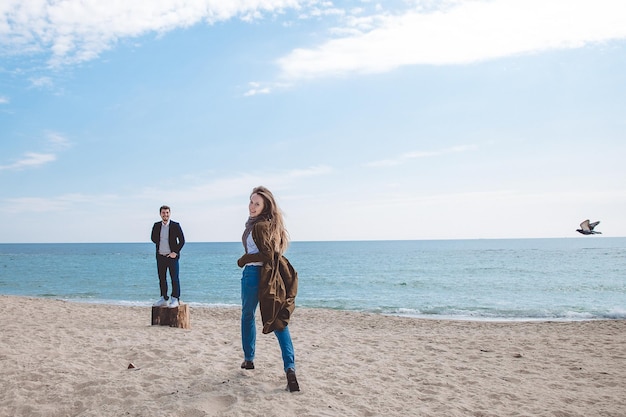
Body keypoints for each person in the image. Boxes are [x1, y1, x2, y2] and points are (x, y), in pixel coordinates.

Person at [237, 186, 300, 392]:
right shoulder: (270, 225)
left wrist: (245, 258)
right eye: (251, 201)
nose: (252, 206)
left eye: (257, 203)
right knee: (277, 320)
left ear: (265, 207)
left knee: (248, 316)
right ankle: (290, 369)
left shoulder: (259, 226)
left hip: (253, 276)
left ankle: (249, 358)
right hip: (269, 278)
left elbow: (266, 255)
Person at [151, 205, 185, 308]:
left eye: (167, 213)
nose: (165, 214)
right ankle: (164, 298)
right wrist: (161, 242)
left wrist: (175, 252)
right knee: (162, 278)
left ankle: (175, 298)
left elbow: (182, 241)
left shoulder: (175, 225)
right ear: (160, 214)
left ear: (169, 213)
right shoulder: (156, 225)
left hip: (172, 257)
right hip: (161, 256)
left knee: (174, 278)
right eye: (163, 213)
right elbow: (153, 238)